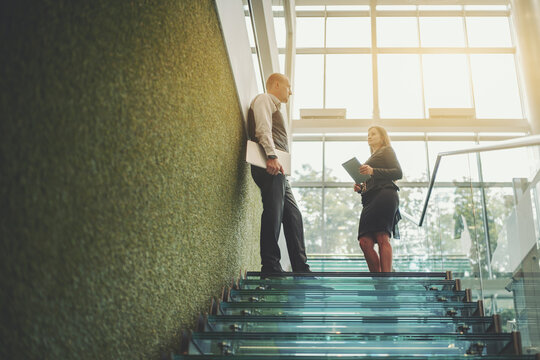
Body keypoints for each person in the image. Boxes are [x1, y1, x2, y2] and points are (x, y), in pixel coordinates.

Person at [247, 73, 311, 278]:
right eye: (288, 87)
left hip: (279, 169)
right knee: (274, 212)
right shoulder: (264, 99)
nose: (290, 91)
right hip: (270, 165)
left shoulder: (276, 108)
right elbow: (262, 129)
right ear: (276, 84)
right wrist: (272, 156)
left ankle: (301, 268)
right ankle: (270, 265)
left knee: (293, 215)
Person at [354, 126, 402, 273]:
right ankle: (379, 283)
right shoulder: (371, 158)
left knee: (382, 237)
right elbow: (372, 181)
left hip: (385, 195)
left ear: (382, 137)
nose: (369, 137)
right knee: (364, 242)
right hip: (370, 199)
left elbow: (398, 173)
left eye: (373, 134)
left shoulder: (387, 150)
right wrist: (361, 188)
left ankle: (385, 282)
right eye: (368, 134)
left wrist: (373, 171)